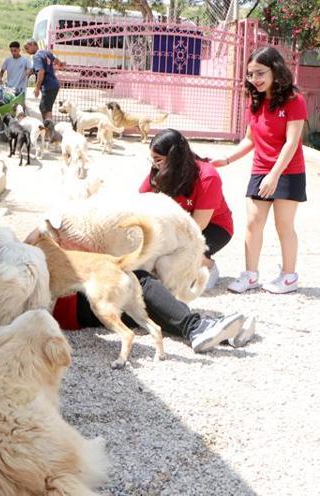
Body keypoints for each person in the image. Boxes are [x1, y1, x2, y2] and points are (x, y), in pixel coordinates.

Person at [211, 46, 307, 294]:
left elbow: (291, 142)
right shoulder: (254, 100)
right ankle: (250, 275)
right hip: (260, 169)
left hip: (288, 170)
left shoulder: (294, 100)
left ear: (276, 70)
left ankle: (289, 277)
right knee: (253, 222)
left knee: (284, 225)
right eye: (251, 74)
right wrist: (227, 159)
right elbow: (250, 139)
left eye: (260, 73)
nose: (255, 79)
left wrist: (274, 175)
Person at [51, 270, 256, 353]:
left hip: (69, 305)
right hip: (69, 302)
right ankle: (198, 327)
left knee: (147, 307)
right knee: (137, 279)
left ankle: (222, 335)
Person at [139, 129, 234, 290]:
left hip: (213, 226)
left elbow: (198, 225)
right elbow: (141, 201)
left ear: (174, 158)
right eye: (152, 159)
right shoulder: (159, 171)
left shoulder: (207, 176)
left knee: (179, 250)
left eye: (158, 159)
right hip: (176, 224)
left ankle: (208, 267)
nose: (154, 164)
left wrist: (166, 240)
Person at [23, 39, 65, 121]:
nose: (27, 51)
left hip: (48, 85)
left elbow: (41, 72)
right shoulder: (46, 52)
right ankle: (48, 125)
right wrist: (60, 64)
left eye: (27, 48)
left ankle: (48, 126)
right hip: (53, 85)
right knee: (45, 107)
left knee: (44, 108)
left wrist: (37, 88)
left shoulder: (36, 56)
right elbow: (55, 60)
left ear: (33, 45)